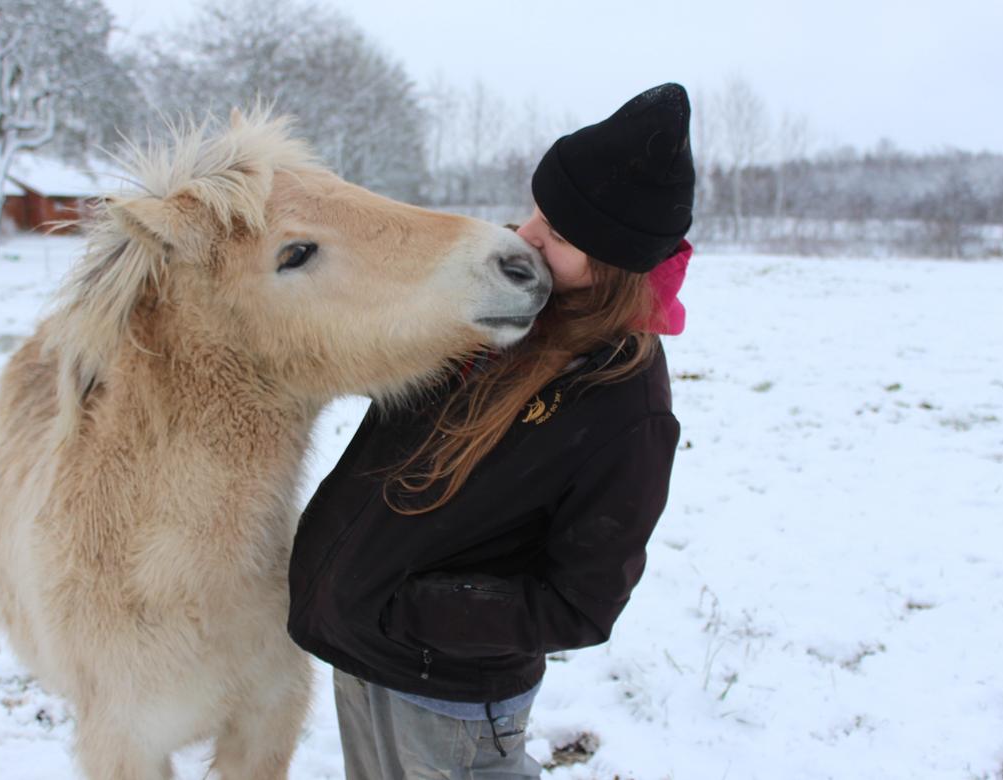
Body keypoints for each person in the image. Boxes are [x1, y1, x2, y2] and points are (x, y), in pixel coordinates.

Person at [287, 82, 696, 779]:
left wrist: (403, 609)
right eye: (537, 211)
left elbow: (582, 603)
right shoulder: (491, 302)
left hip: (450, 699)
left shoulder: (627, 410)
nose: (527, 235)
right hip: (361, 656)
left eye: (560, 235)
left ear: (617, 263)